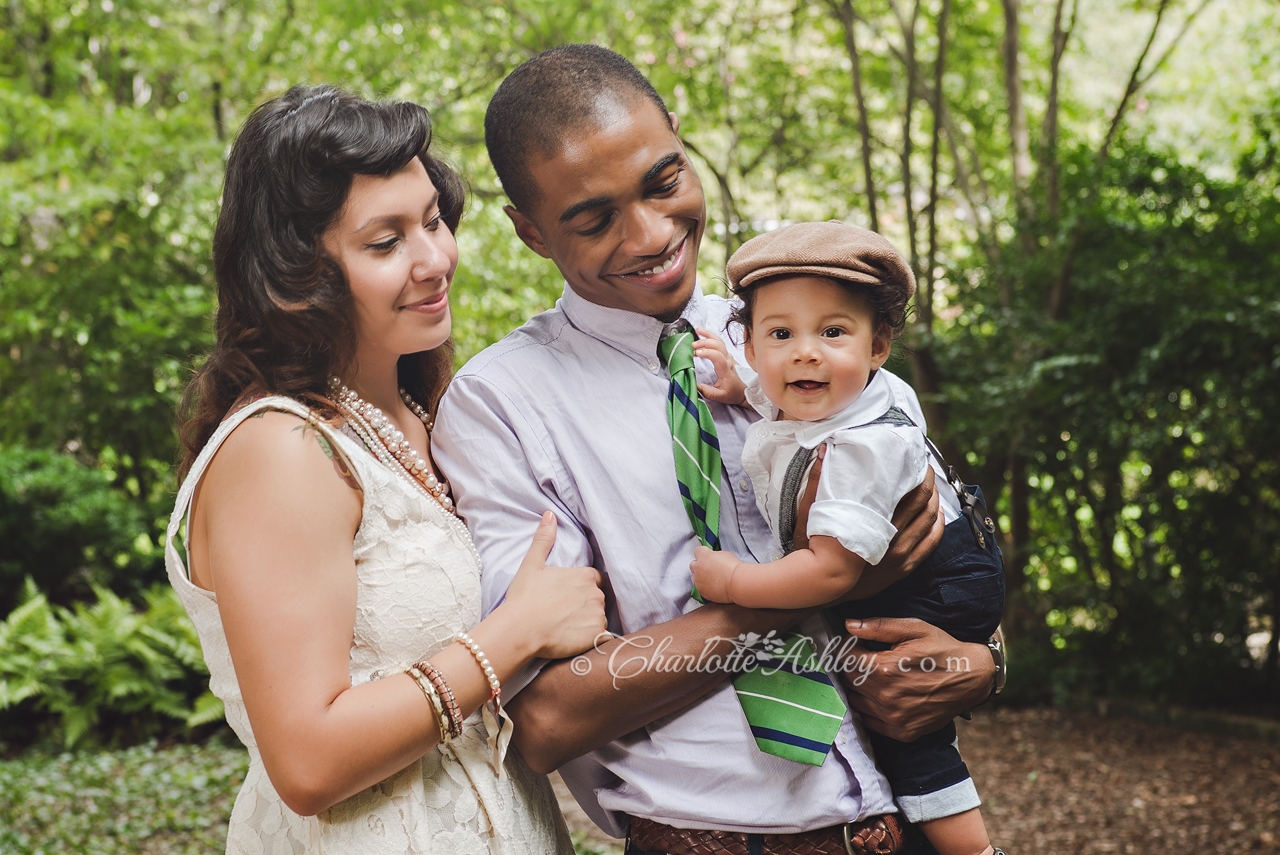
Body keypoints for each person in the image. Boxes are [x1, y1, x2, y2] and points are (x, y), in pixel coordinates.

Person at [432, 44, 1001, 855]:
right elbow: (549, 718)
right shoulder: (503, 406)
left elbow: (929, 545)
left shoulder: (799, 330)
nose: (652, 233)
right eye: (593, 219)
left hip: (903, 825)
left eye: (664, 182)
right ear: (528, 231)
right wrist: (798, 589)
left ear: (677, 133)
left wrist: (984, 658)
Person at [165, 83, 608, 854]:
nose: (435, 258)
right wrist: (515, 634)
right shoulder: (280, 449)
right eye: (385, 241)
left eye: (434, 219)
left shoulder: (421, 413)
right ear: (298, 273)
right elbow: (307, 760)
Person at [686, 221, 1005, 855]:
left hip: (934, 581)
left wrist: (732, 581)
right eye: (781, 335)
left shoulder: (861, 449)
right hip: (949, 554)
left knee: (905, 728)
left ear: (878, 345)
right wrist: (742, 387)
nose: (805, 353)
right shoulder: (839, 394)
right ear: (750, 346)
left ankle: (974, 849)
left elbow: (829, 572)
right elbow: (803, 397)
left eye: (833, 332)